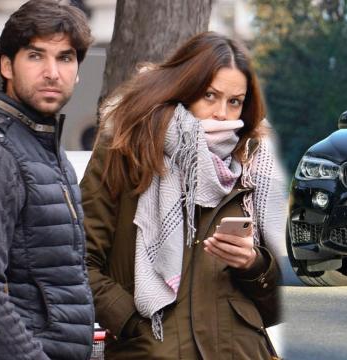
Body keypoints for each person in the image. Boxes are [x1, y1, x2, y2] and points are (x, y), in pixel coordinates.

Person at [81, 31, 287, 359]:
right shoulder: (125, 147)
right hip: (152, 349)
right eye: (210, 95)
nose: (222, 113)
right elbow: (80, 259)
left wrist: (252, 264)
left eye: (234, 101)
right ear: (183, 90)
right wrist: (133, 324)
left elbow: (279, 304)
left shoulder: (253, 162)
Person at [0, 1, 94, 359]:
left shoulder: (45, 148)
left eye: (65, 58)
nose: (52, 72)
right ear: (6, 65)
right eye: (36, 56)